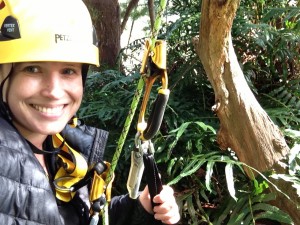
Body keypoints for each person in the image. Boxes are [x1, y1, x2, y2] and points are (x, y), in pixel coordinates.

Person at [0, 0, 180, 225]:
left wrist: (139, 207)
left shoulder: (62, 150)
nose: (54, 91)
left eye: (68, 71)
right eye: (33, 69)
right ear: (3, 75)